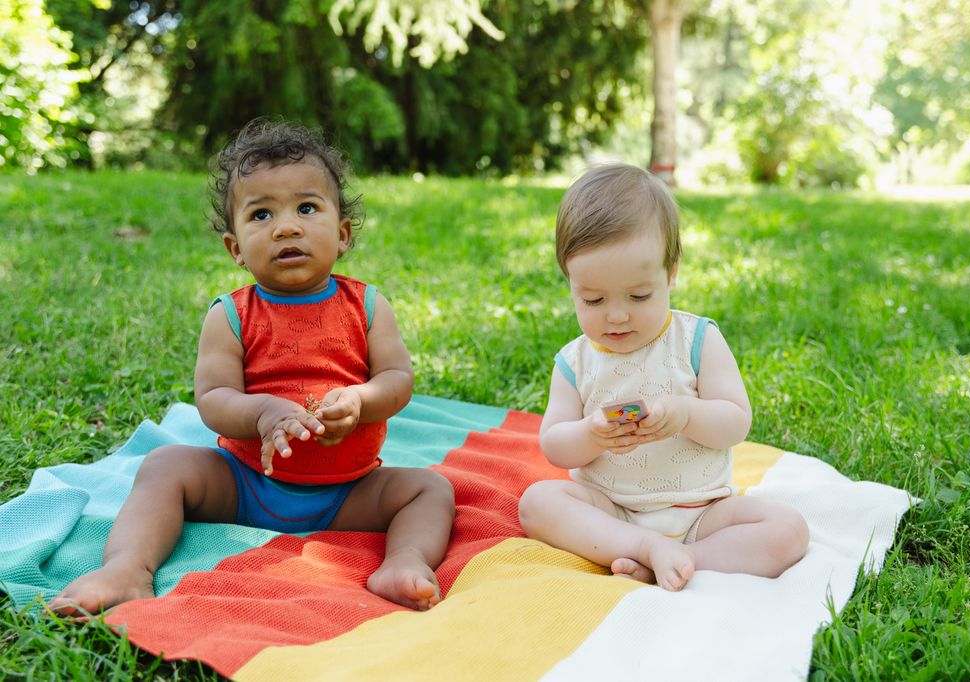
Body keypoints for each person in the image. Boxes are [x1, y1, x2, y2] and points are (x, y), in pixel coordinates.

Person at [50, 119, 454, 614]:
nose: (287, 226)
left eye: (307, 208)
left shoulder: (367, 306)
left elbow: (397, 379)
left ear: (343, 233)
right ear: (236, 248)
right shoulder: (231, 315)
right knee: (165, 466)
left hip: (348, 491)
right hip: (245, 483)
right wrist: (262, 412)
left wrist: (360, 400)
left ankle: (404, 561)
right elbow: (214, 399)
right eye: (262, 214)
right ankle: (128, 568)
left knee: (429, 489)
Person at [518, 163, 808, 591]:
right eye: (593, 299)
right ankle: (643, 547)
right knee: (537, 503)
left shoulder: (696, 340)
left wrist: (686, 413)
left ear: (671, 274)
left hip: (702, 512)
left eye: (639, 295)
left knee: (788, 529)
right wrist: (593, 434)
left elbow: (735, 421)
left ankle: (685, 558)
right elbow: (555, 445)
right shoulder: (574, 361)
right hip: (611, 512)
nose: (616, 315)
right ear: (570, 284)